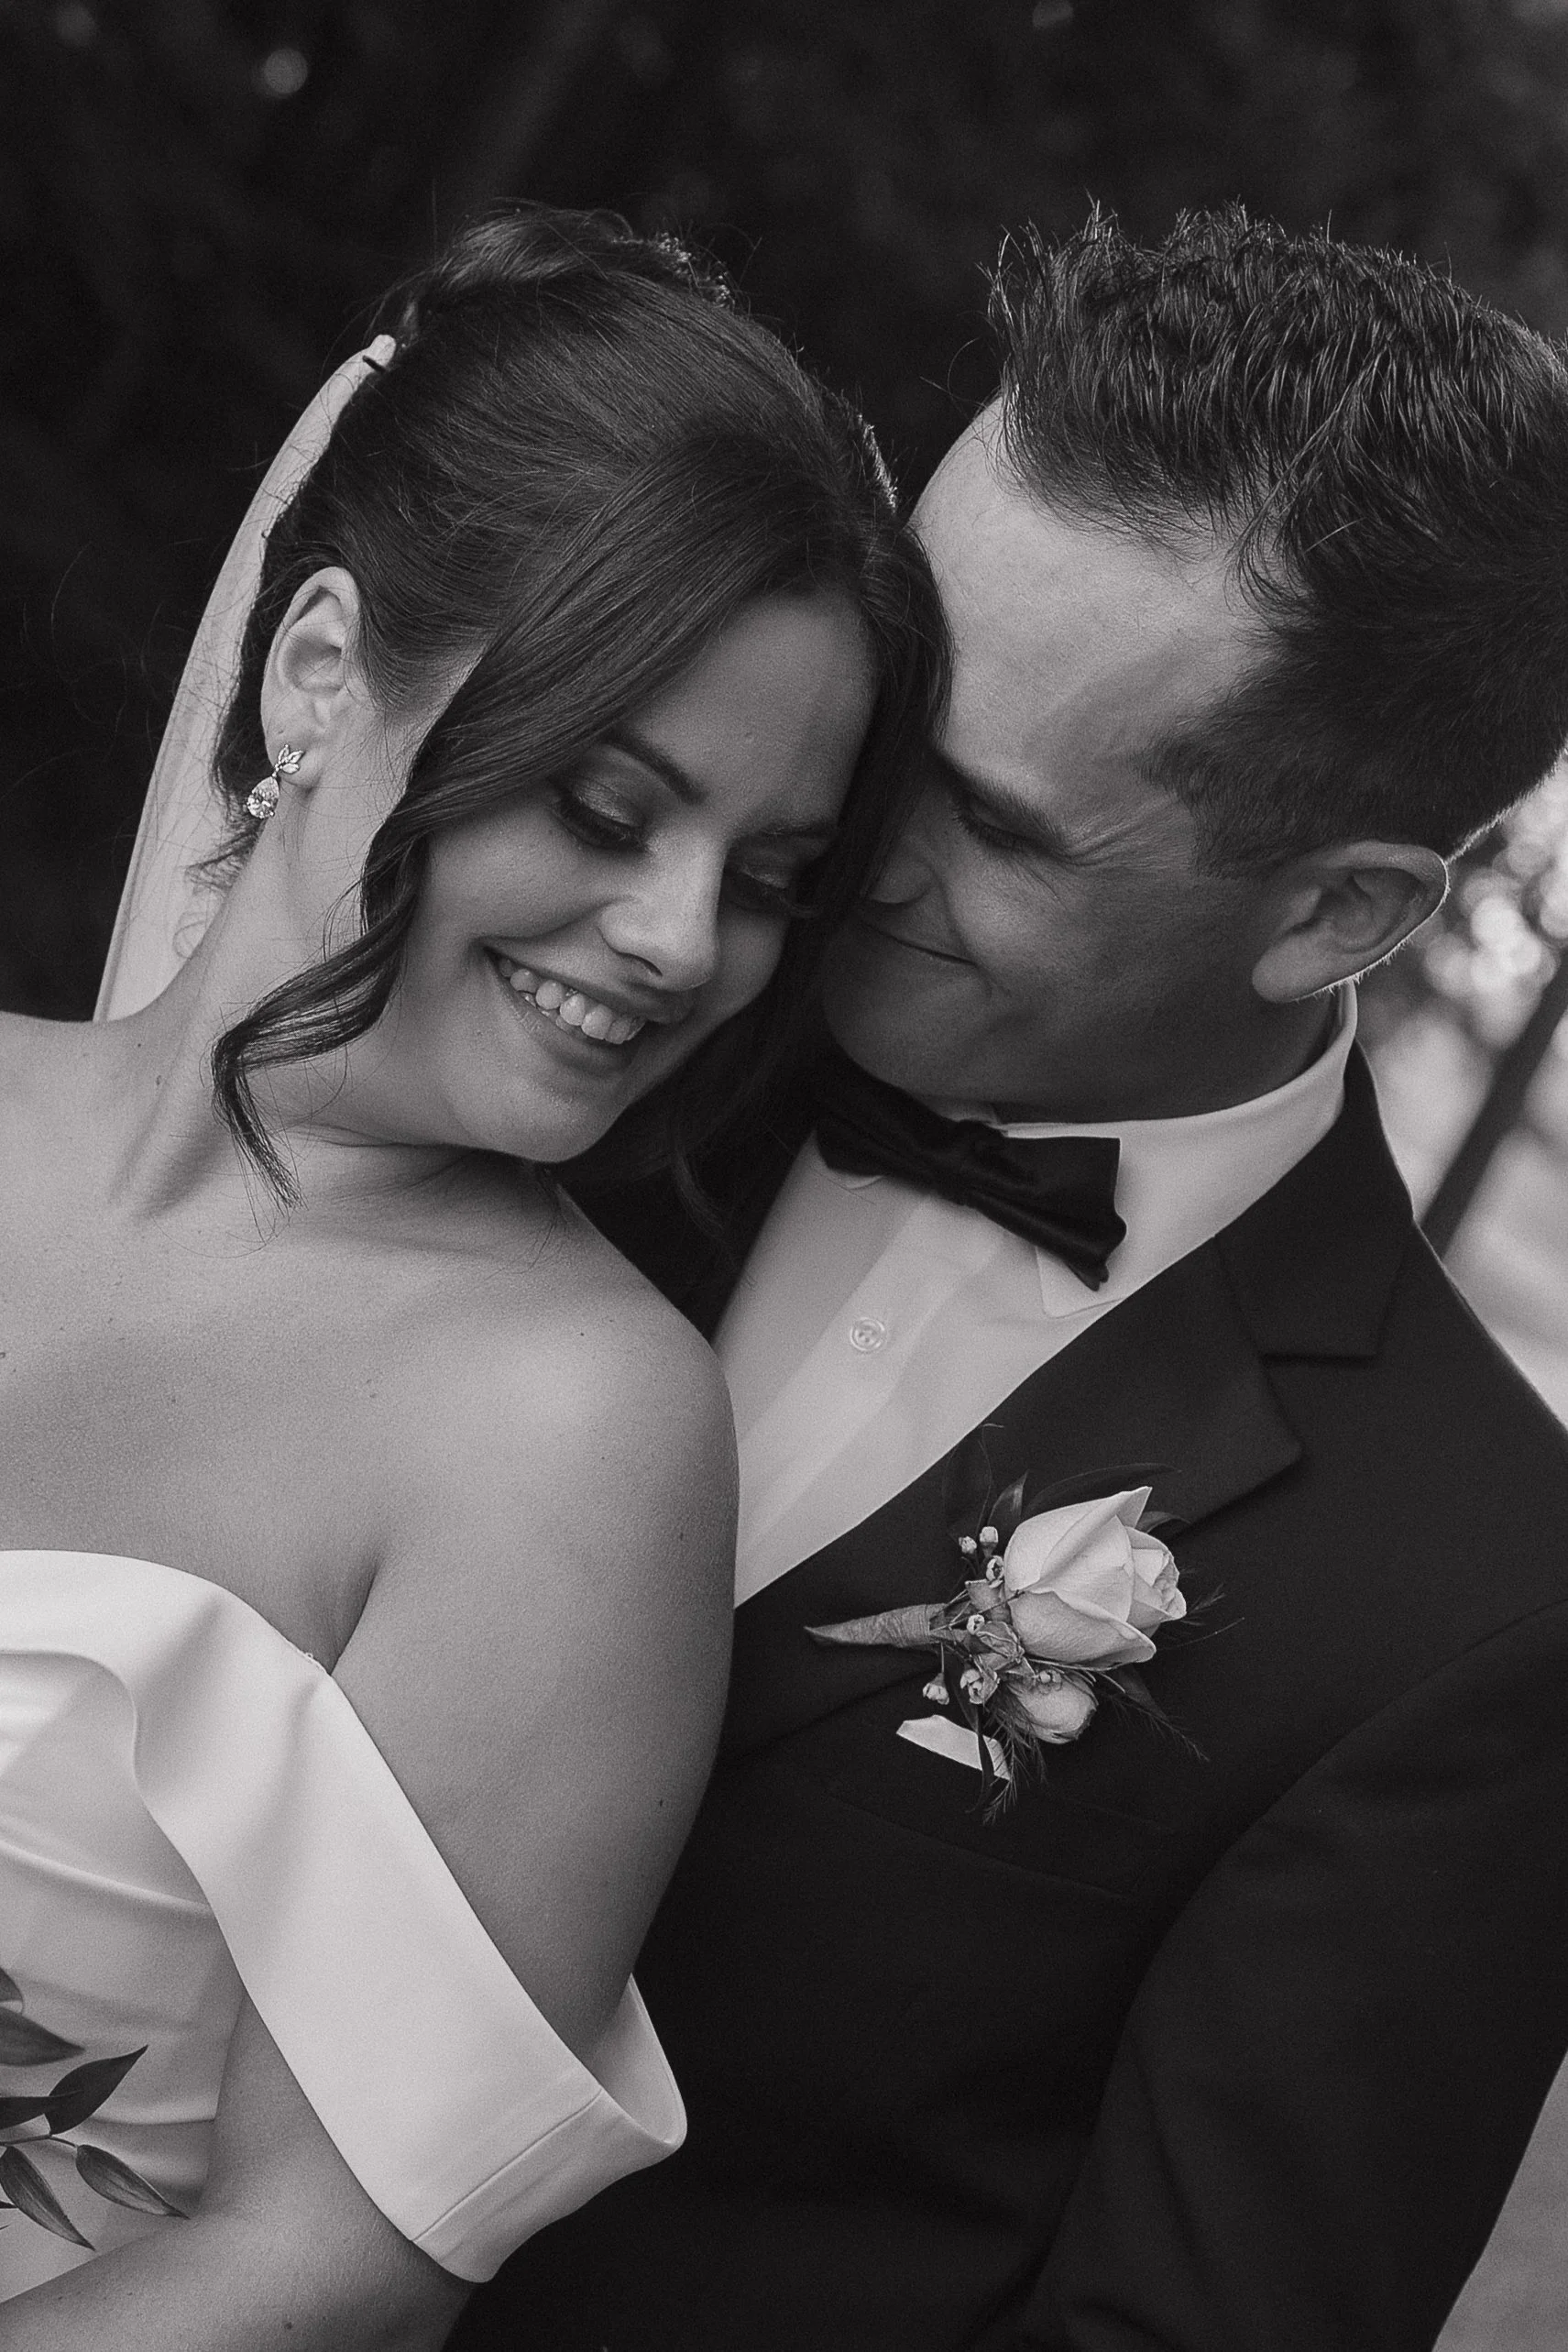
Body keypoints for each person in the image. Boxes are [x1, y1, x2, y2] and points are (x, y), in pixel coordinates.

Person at [458, 207, 1568, 2351]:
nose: (846, 828)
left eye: (995, 824)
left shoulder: (1475, 1611)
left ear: (1337, 911)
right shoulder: (567, 1011)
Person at [0, 205, 942, 2347]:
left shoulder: (570, 1429)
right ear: (321, 670)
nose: (683, 940)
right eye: (612, 806)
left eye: (771, 877)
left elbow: (328, 2266)